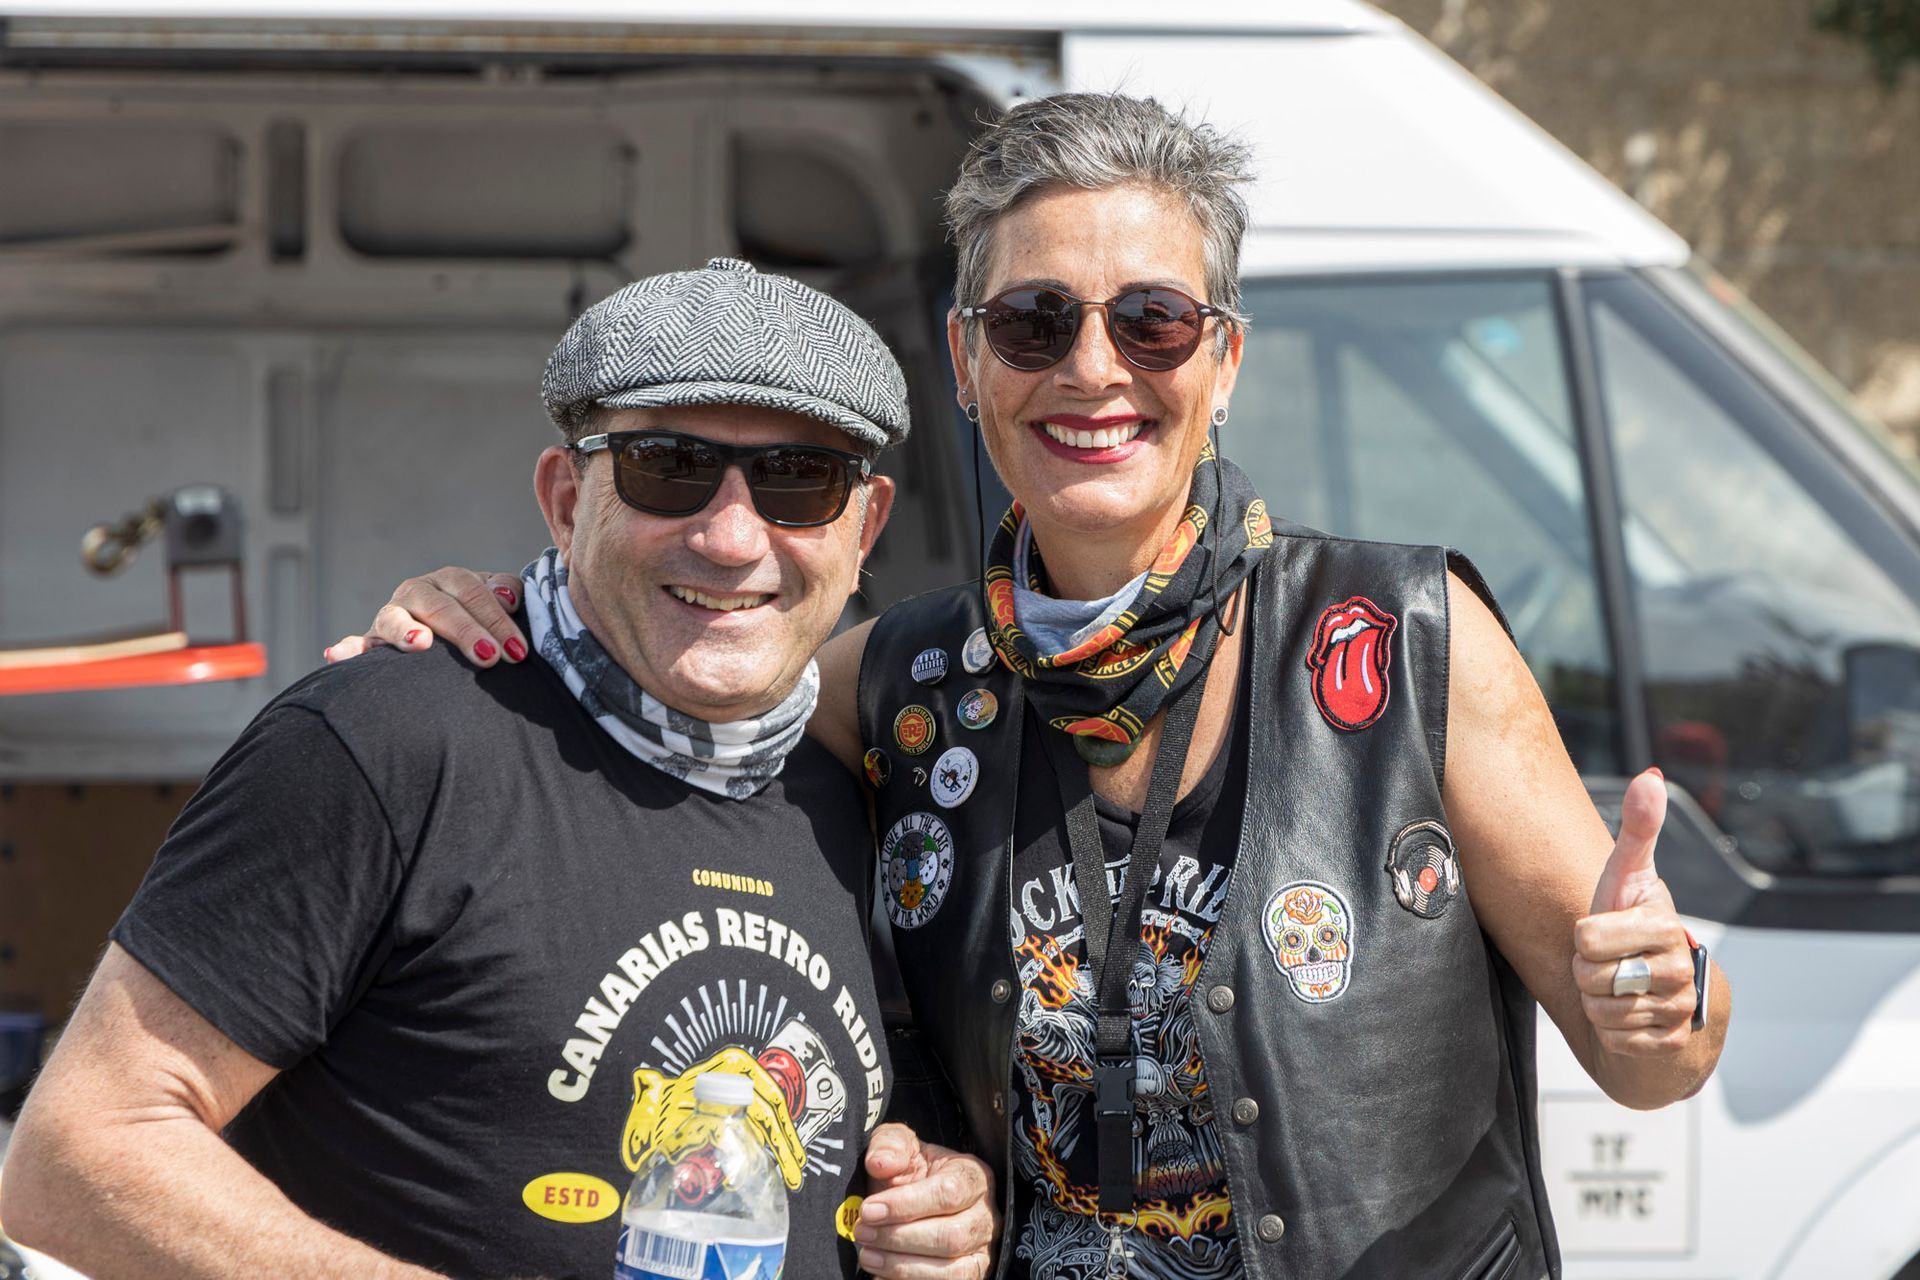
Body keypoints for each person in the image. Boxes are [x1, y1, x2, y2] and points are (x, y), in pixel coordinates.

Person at [326, 95, 1732, 1280]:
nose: (1095, 370)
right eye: (1036, 323)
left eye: (1155, 323)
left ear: (1224, 361)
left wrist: (1662, 1000)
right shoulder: (897, 679)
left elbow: (1654, 1064)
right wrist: (509, 607)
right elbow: (672, 678)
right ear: (965, 360)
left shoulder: (1405, 637)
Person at [0, 258, 998, 1280]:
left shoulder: (860, 796)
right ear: (567, 501)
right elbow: (78, 1155)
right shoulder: (388, 738)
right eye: (667, 467)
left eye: (799, 482)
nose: (732, 535)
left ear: (865, 525)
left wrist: (937, 1212)